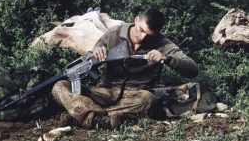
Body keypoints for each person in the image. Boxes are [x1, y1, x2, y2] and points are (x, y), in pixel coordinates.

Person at [51, 8, 198, 129]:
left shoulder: (163, 44)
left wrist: (167, 58)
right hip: (104, 92)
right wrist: (95, 55)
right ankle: (100, 119)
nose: (142, 37)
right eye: (141, 30)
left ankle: (83, 115)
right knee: (60, 86)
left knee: (148, 99)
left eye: (149, 35)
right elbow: (90, 58)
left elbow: (192, 70)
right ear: (136, 20)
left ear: (157, 34)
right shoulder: (114, 33)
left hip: (135, 97)